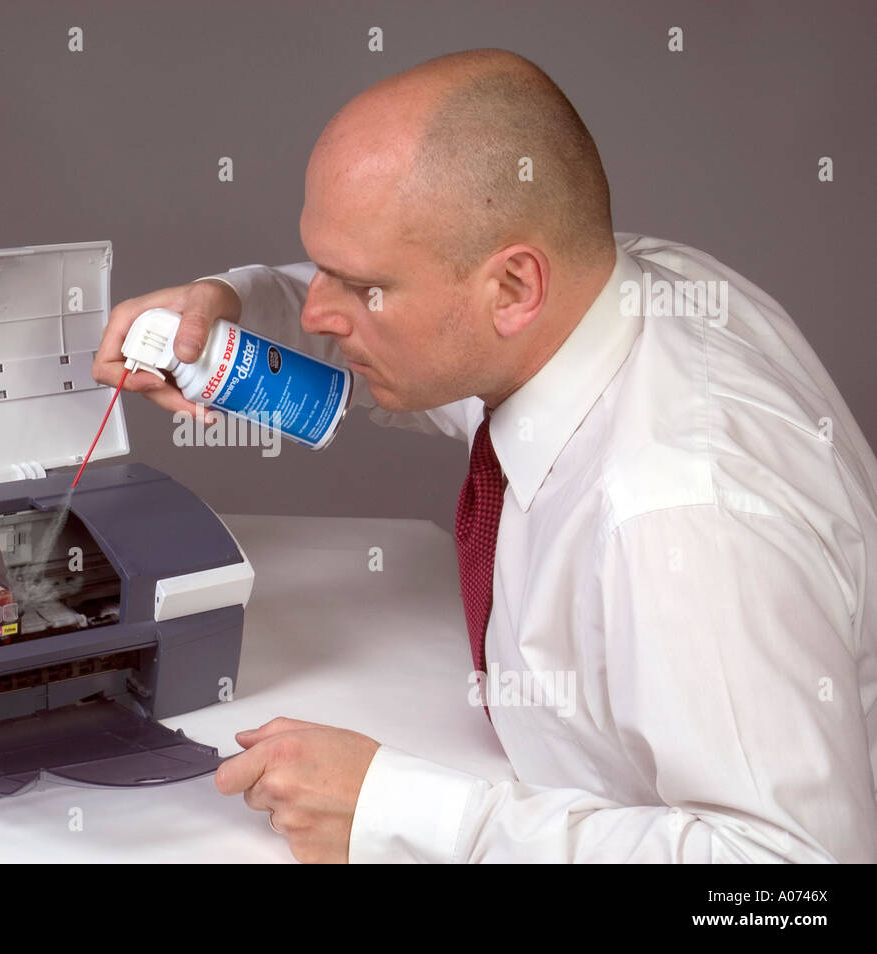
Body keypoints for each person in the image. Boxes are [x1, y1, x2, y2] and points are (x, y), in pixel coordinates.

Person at [92, 49, 877, 863]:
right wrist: (233, 314)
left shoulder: (683, 518)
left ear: (513, 290)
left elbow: (792, 888)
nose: (319, 310)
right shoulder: (604, 303)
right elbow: (423, 338)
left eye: (358, 286)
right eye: (318, 265)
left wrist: (409, 818)